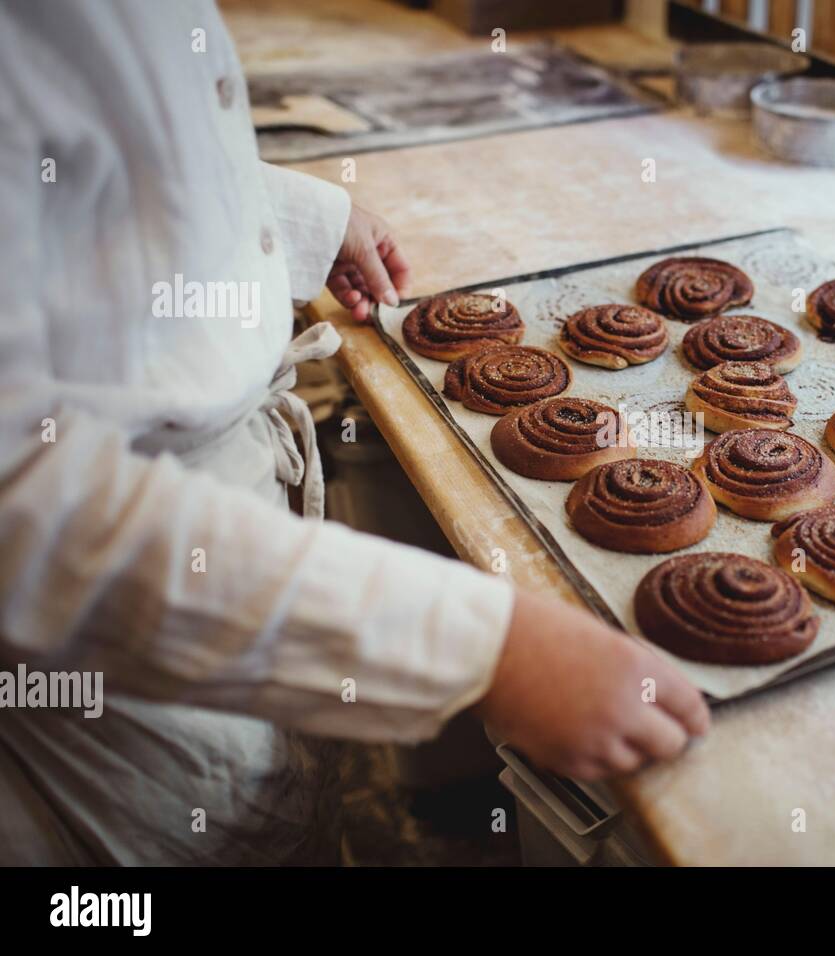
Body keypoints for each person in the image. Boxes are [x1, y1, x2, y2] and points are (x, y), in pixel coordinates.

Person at [0, 0, 708, 865]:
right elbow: (20, 507)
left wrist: (291, 220)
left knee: (276, 814)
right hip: (110, 641)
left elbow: (109, 155)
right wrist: (480, 651)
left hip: (215, 531)